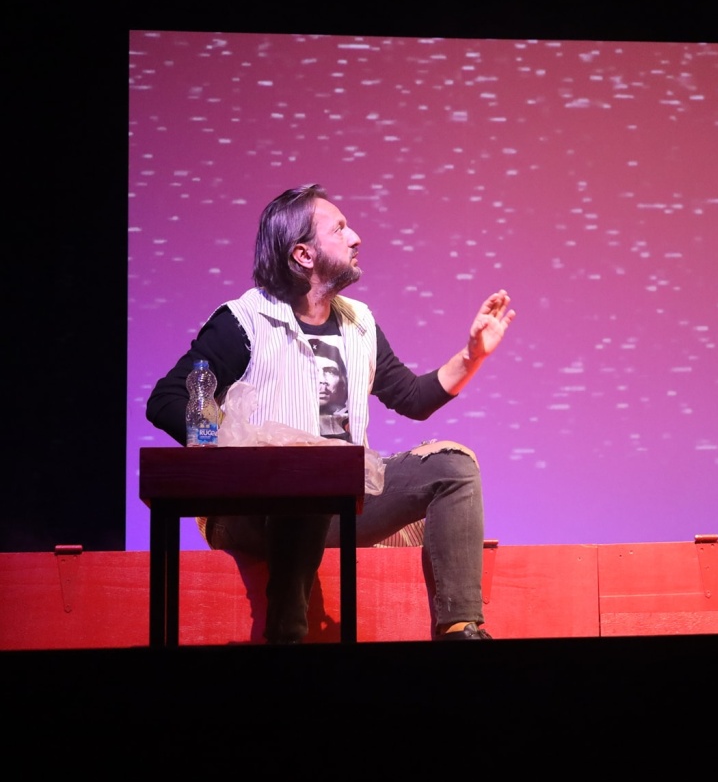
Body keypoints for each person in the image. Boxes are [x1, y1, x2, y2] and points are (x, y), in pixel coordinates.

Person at [147, 184, 516, 642]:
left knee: (452, 467)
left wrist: (471, 355)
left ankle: (460, 631)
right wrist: (238, 452)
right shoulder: (244, 320)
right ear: (303, 255)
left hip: (341, 500)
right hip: (251, 510)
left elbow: (413, 398)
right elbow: (166, 399)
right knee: (304, 477)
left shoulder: (359, 324)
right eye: (339, 229)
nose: (356, 237)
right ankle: (286, 635)